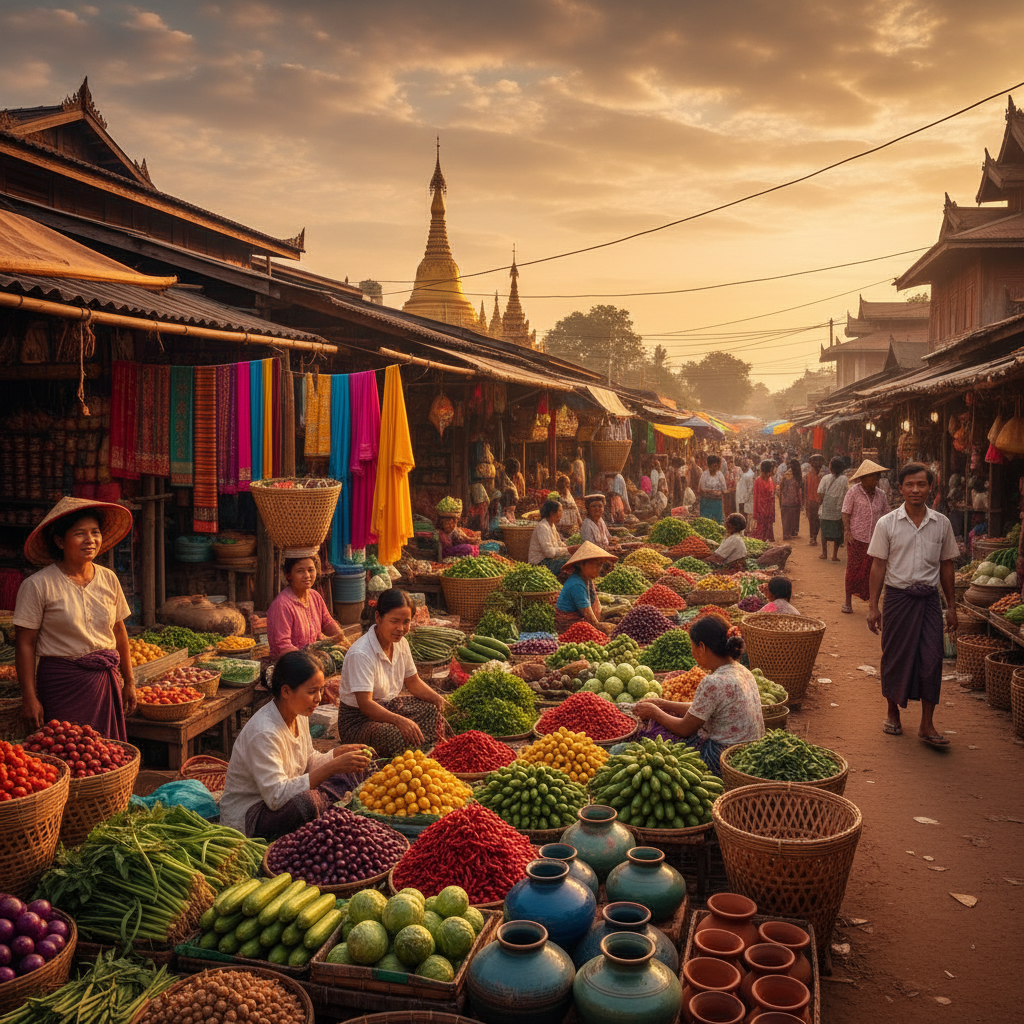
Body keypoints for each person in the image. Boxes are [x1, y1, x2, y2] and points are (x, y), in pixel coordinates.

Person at [13, 497, 135, 738]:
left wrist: (130, 681)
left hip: (104, 681)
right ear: (59, 541)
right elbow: (25, 644)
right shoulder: (38, 585)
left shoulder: (108, 578)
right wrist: (29, 697)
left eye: (95, 532)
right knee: (66, 753)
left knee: (104, 757)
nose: (90, 540)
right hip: (61, 684)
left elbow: (119, 632)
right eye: (79, 533)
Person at [220, 650, 372, 838]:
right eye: (311, 691)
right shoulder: (264, 732)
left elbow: (308, 760)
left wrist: (336, 754)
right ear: (286, 691)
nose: (318, 698)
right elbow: (276, 797)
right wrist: (333, 766)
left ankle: (324, 808)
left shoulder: (299, 714)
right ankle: (324, 807)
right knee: (306, 804)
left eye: (320, 689)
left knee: (352, 771)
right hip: (253, 814)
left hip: (284, 797)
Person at [867, 463, 960, 748]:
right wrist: (873, 606)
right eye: (910, 484)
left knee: (932, 659)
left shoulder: (941, 523)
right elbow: (878, 566)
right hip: (897, 598)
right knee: (894, 656)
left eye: (921, 484)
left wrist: (952, 606)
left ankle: (926, 724)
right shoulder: (887, 523)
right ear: (900, 488)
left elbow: (947, 567)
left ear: (930, 487)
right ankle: (892, 713)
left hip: (929, 600)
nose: (916, 489)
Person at [634, 615, 764, 773]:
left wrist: (655, 712)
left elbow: (684, 728)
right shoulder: (742, 670)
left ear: (701, 647)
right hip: (752, 755)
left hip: (723, 758)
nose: (692, 650)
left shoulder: (713, 682)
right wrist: (663, 704)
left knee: (657, 740)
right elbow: (702, 710)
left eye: (692, 645)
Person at [337, 589, 453, 759]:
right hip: (358, 721)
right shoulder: (361, 654)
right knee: (394, 735)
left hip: (387, 707)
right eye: (394, 621)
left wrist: (439, 700)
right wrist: (400, 720)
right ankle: (410, 756)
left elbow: (413, 682)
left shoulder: (401, 643)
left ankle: (427, 752)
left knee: (431, 710)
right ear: (378, 618)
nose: (401, 628)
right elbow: (366, 705)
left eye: (406, 622)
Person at [267, 550, 345, 662]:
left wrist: (342, 638)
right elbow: (283, 647)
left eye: (310, 570)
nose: (307, 576)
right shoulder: (282, 605)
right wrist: (308, 660)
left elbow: (327, 622)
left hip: (312, 658)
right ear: (288, 575)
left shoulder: (315, 596)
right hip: (290, 664)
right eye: (300, 571)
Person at [841, 460, 890, 614]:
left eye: (878, 477)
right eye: (874, 477)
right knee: (853, 569)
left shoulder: (881, 495)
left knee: (873, 572)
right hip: (856, 537)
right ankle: (848, 601)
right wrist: (847, 531)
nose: (876, 480)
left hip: (875, 539)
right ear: (864, 478)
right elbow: (846, 512)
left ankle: (872, 605)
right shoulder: (853, 492)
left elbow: (887, 514)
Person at [555, 541, 616, 635]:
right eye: (597, 565)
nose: (599, 569)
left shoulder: (587, 580)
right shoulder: (577, 585)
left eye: (601, 565)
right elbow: (592, 621)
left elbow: (596, 607)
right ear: (582, 564)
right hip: (569, 628)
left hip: (579, 622)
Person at [528, 499, 571, 573]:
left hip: (548, 560)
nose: (561, 514)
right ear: (552, 513)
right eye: (560, 511)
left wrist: (570, 549)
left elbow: (559, 543)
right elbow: (549, 553)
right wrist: (568, 550)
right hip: (539, 564)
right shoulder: (543, 527)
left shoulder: (552, 525)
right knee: (570, 563)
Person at [818, 457, 848, 561]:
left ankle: (824, 553)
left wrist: (822, 502)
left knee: (824, 532)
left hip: (826, 510)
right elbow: (847, 493)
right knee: (837, 533)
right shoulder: (844, 479)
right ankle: (834, 555)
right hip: (838, 510)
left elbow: (820, 493)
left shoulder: (825, 478)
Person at [750, 460, 776, 541]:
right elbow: (756, 497)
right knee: (760, 530)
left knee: (768, 527)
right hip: (761, 509)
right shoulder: (758, 481)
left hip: (769, 508)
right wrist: (756, 511)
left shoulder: (771, 480)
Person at [779, 458, 804, 541]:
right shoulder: (797, 476)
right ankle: (789, 533)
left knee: (786, 518)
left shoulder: (786, 475)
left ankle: (786, 533)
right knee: (792, 518)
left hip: (786, 501)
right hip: (794, 501)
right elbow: (799, 489)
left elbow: (781, 488)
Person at [698, 454, 727, 524]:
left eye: (716, 466)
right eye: (712, 466)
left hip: (717, 503)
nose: (714, 469)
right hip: (706, 502)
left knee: (718, 522)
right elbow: (700, 488)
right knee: (706, 522)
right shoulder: (705, 474)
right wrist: (711, 491)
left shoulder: (720, 475)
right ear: (709, 466)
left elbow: (724, 490)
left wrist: (718, 493)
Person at [804, 454, 825, 547]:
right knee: (813, 521)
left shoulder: (821, 476)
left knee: (815, 521)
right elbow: (805, 490)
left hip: (816, 502)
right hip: (812, 502)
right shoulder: (808, 476)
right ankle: (813, 537)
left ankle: (813, 537)